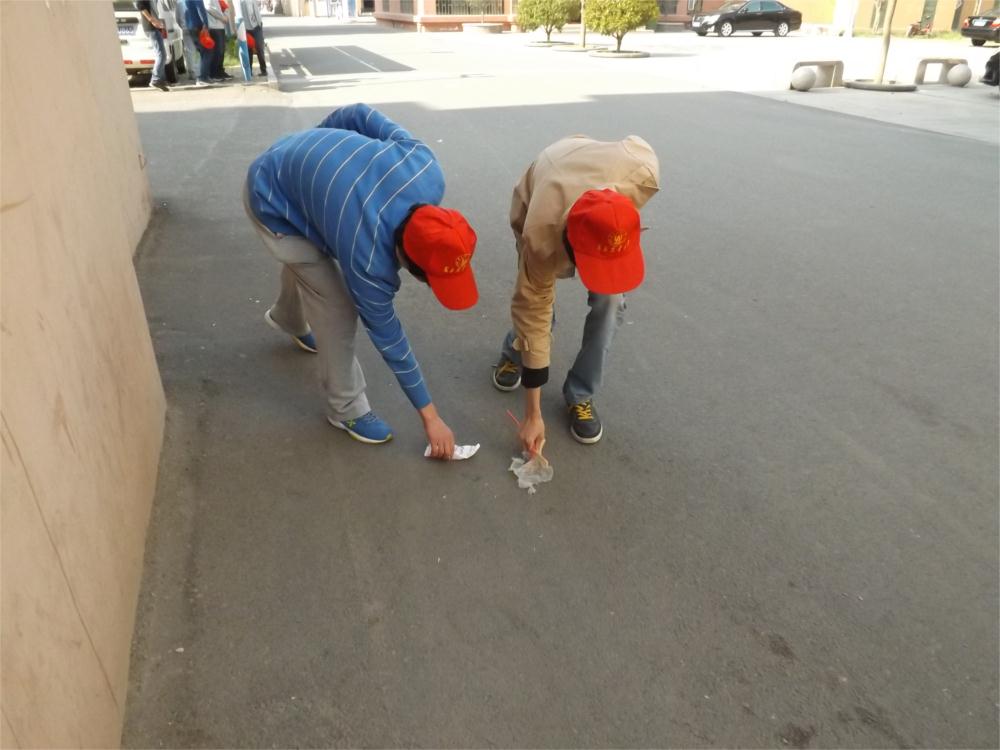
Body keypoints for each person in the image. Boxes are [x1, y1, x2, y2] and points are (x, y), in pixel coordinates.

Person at [244, 104, 479, 458]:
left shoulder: (424, 168)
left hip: (292, 159)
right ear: (407, 263)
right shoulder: (368, 261)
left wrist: (315, 143)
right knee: (337, 306)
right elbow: (391, 340)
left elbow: (357, 113)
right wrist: (431, 418)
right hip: (271, 199)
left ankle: (287, 317)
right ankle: (345, 409)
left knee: (313, 270)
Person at [492, 135, 659, 451]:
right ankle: (514, 352)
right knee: (536, 306)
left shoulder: (643, 171)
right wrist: (533, 415)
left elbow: (636, 145)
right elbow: (534, 311)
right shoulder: (540, 236)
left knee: (612, 302)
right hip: (543, 184)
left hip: (593, 176)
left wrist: (617, 225)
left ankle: (580, 393)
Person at [135, 0, 170, 91]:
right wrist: (152, 20)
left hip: (155, 27)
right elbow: (140, 5)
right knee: (161, 55)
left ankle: (160, 79)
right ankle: (155, 80)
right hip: (151, 27)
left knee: (161, 55)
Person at [205, 0, 231, 82]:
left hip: (220, 26)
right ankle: (214, 73)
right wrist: (222, 17)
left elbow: (225, 7)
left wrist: (225, 15)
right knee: (217, 51)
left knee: (221, 51)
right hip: (213, 26)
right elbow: (209, 8)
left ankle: (219, 71)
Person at [240, 0, 267, 77]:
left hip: (256, 27)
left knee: (259, 49)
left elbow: (256, 12)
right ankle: (249, 71)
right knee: (248, 50)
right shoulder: (240, 2)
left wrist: (259, 24)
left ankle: (263, 70)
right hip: (246, 28)